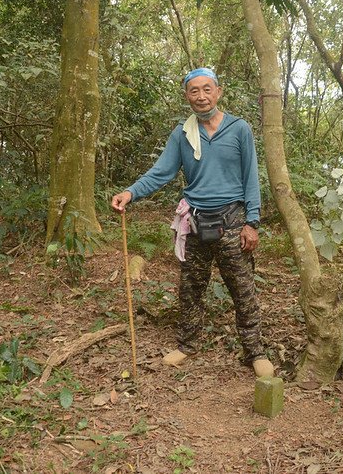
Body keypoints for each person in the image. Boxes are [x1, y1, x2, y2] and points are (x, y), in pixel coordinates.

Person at [111, 67, 274, 378]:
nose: (201, 96)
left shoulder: (240, 129)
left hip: (233, 220)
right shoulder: (182, 133)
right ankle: (187, 345)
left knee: (243, 289)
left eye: (207, 89)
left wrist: (252, 222)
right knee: (190, 288)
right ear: (187, 96)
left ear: (218, 91)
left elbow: (251, 176)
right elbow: (161, 173)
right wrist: (130, 193)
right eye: (194, 91)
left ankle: (255, 351)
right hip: (195, 220)